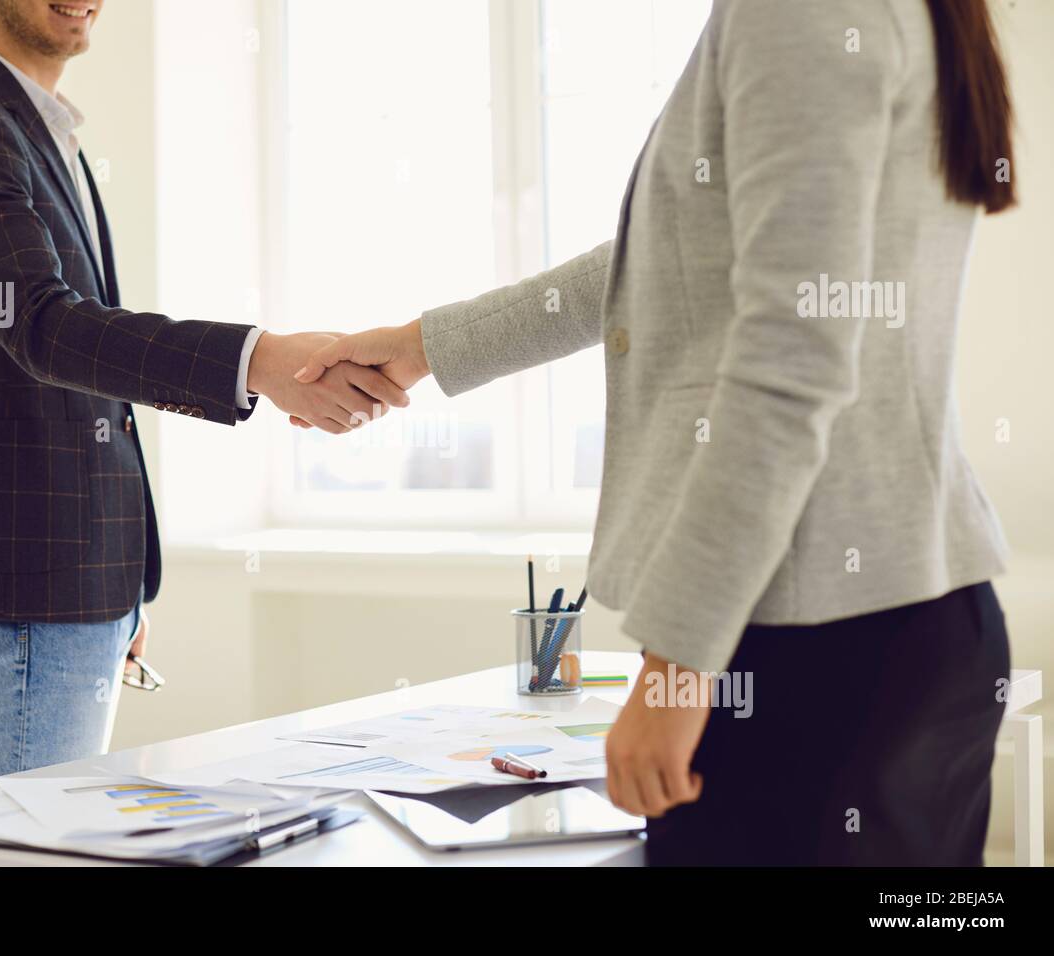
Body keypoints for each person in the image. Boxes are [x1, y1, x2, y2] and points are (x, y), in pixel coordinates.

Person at [294, 0, 1016, 865]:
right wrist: (424, 347)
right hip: (900, 625)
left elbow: (790, 362)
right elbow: (671, 258)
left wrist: (679, 666)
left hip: (810, 646)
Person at [0, 0, 408, 782]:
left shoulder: (37, 129)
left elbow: (76, 370)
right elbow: (44, 327)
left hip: (66, 584)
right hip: (23, 586)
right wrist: (258, 359)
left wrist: (115, 585)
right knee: (27, 852)